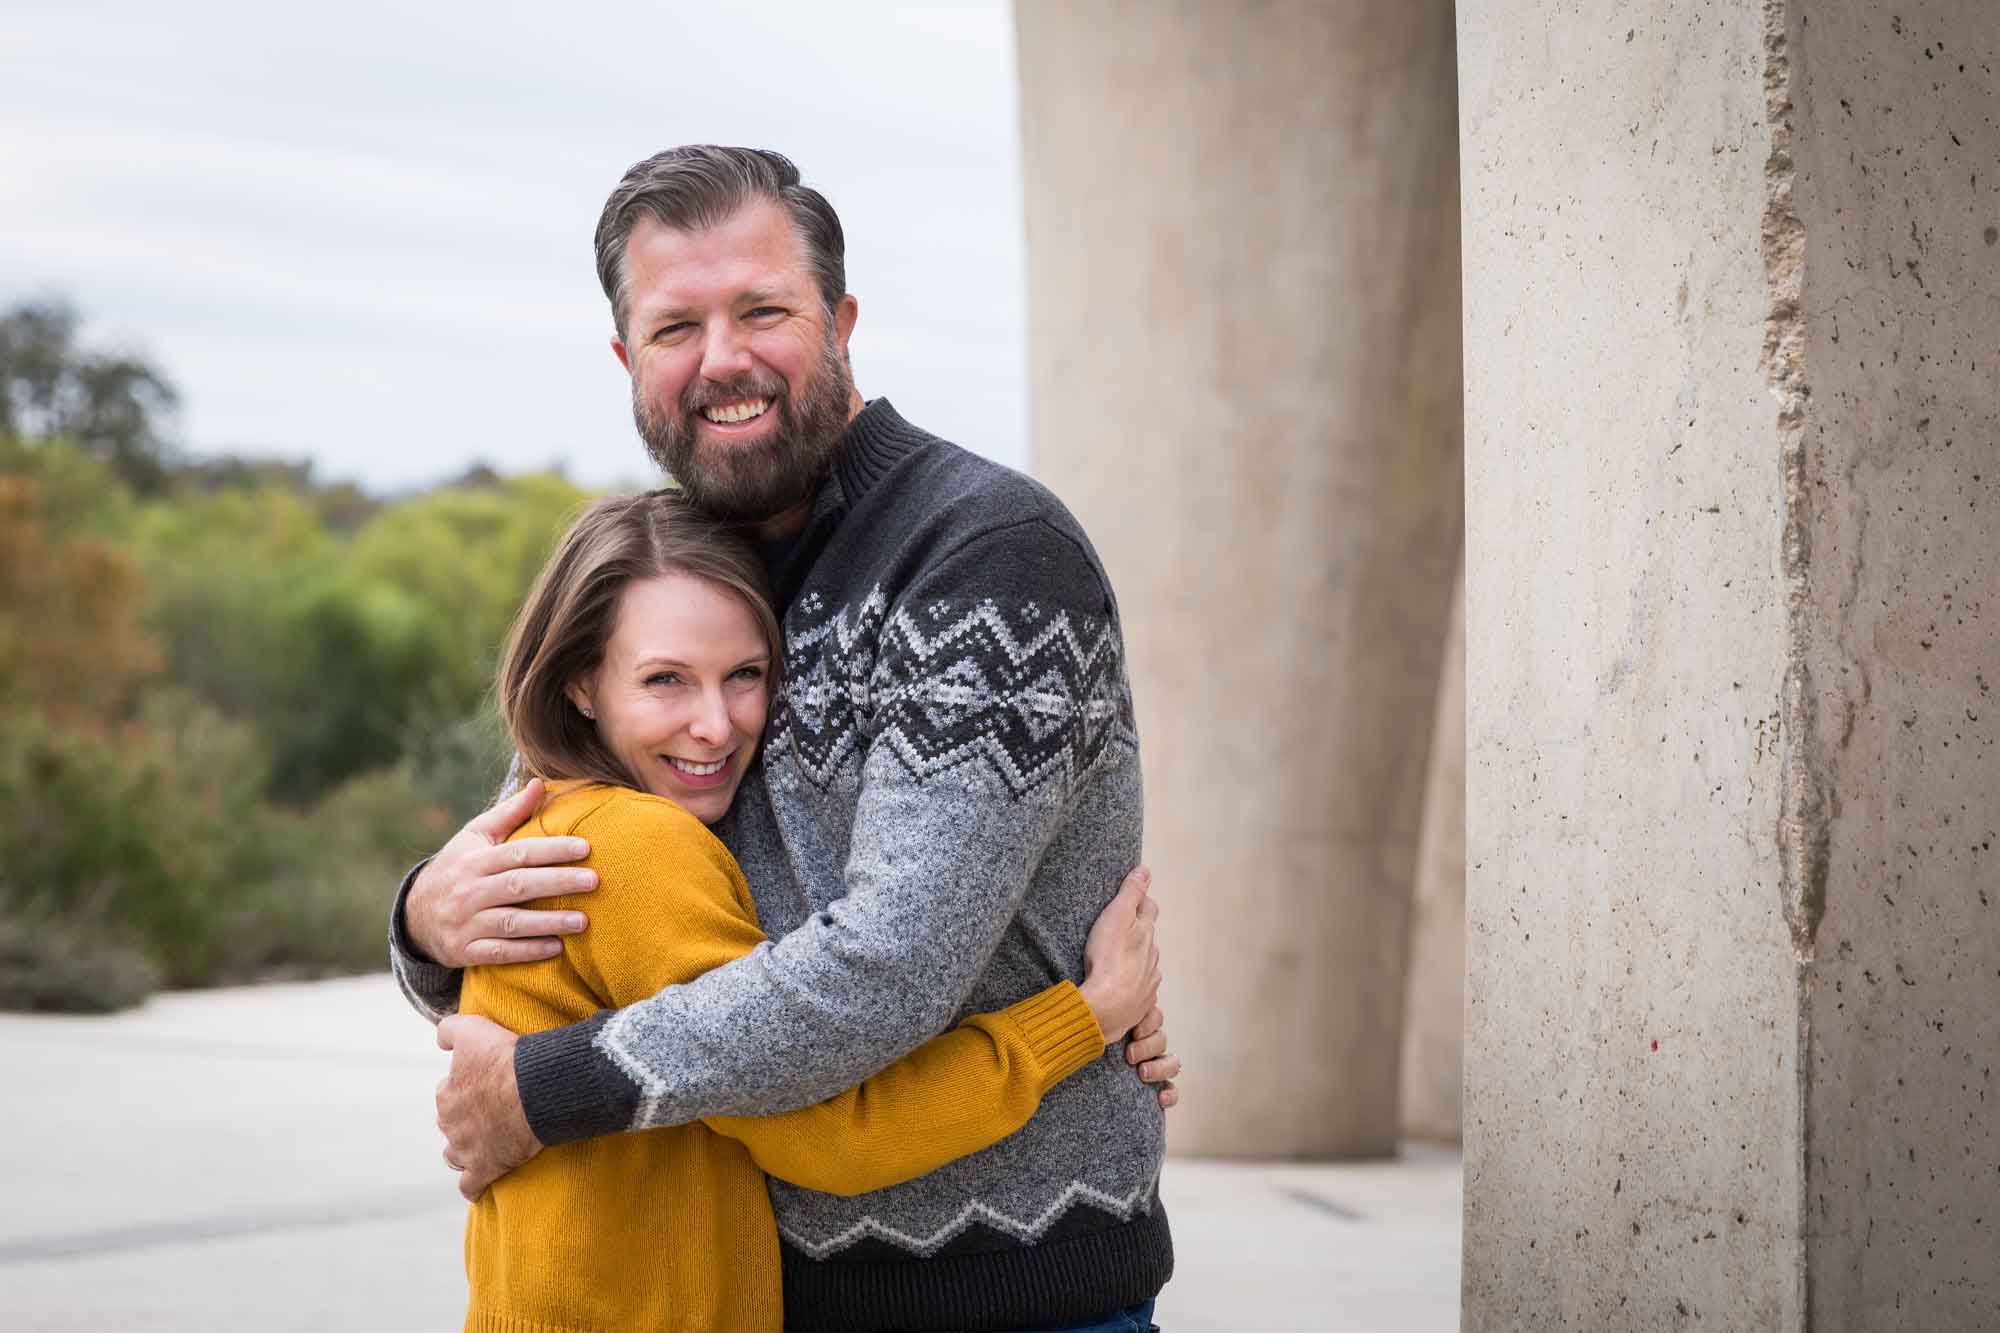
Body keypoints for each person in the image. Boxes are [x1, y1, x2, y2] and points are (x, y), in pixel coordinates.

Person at [393, 145, 1177, 1332]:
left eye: (762, 310)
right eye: (673, 328)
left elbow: (890, 965)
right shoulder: (676, 561)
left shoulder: (984, 555)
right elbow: (558, 883)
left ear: (842, 321)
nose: (722, 360)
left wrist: (546, 1089)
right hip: (742, 1289)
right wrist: (422, 924)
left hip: (993, 1293)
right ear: (625, 358)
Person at [461, 489, 1163, 1332]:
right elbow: (836, 1135)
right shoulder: (641, 847)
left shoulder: (550, 815)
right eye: (665, 680)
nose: (714, 726)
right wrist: (1081, 1018)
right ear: (580, 683)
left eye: (746, 675)